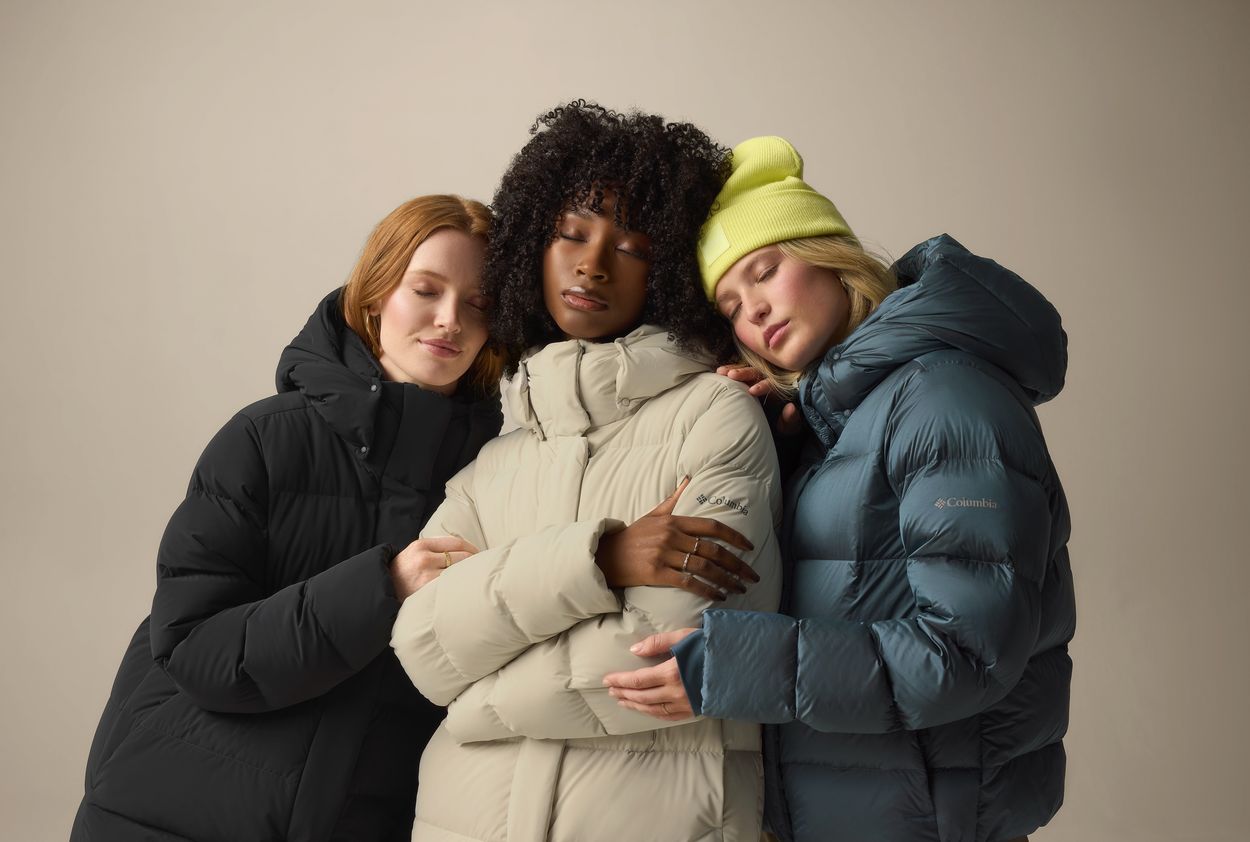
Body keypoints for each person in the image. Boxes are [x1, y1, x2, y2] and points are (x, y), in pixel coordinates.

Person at [605, 137, 1074, 842]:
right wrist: (784, 446)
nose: (754, 311)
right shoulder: (842, 419)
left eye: (765, 271)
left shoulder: (946, 398)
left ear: (829, 254)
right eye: (730, 306)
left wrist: (738, 666)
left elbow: (965, 652)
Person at [389, 102, 782, 842]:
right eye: (571, 233)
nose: (593, 264)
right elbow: (425, 650)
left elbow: (667, 653)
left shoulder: (717, 416)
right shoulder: (490, 463)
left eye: (631, 247)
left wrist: (475, 703)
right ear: (531, 246)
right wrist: (598, 560)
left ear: (668, 271)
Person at [71, 195, 505, 841]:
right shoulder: (265, 441)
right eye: (426, 290)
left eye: (478, 303)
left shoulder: (499, 475)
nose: (450, 320)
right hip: (172, 811)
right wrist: (381, 587)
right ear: (375, 295)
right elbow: (193, 647)